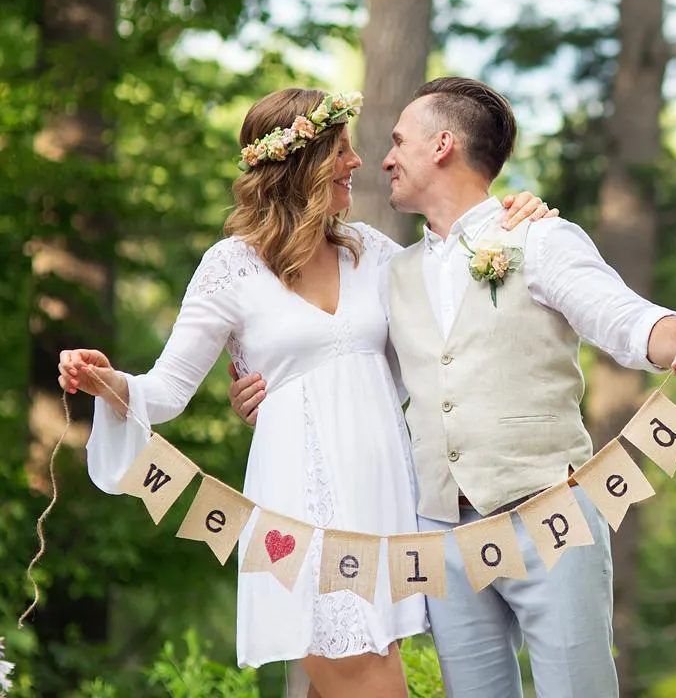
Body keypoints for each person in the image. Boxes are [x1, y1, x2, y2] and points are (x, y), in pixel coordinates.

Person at [230, 76, 676, 698]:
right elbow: (343, 364)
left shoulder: (539, 237)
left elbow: (623, 317)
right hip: (442, 537)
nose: (383, 159)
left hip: (552, 517)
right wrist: (268, 392)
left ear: (443, 145)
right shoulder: (389, 270)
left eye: (398, 141)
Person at [56, 87, 554, 698]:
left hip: (384, 514)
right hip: (301, 518)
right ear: (302, 163)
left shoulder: (374, 253)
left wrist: (513, 218)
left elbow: (447, 317)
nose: (358, 162)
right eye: (341, 150)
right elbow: (165, 391)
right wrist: (111, 383)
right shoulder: (230, 267)